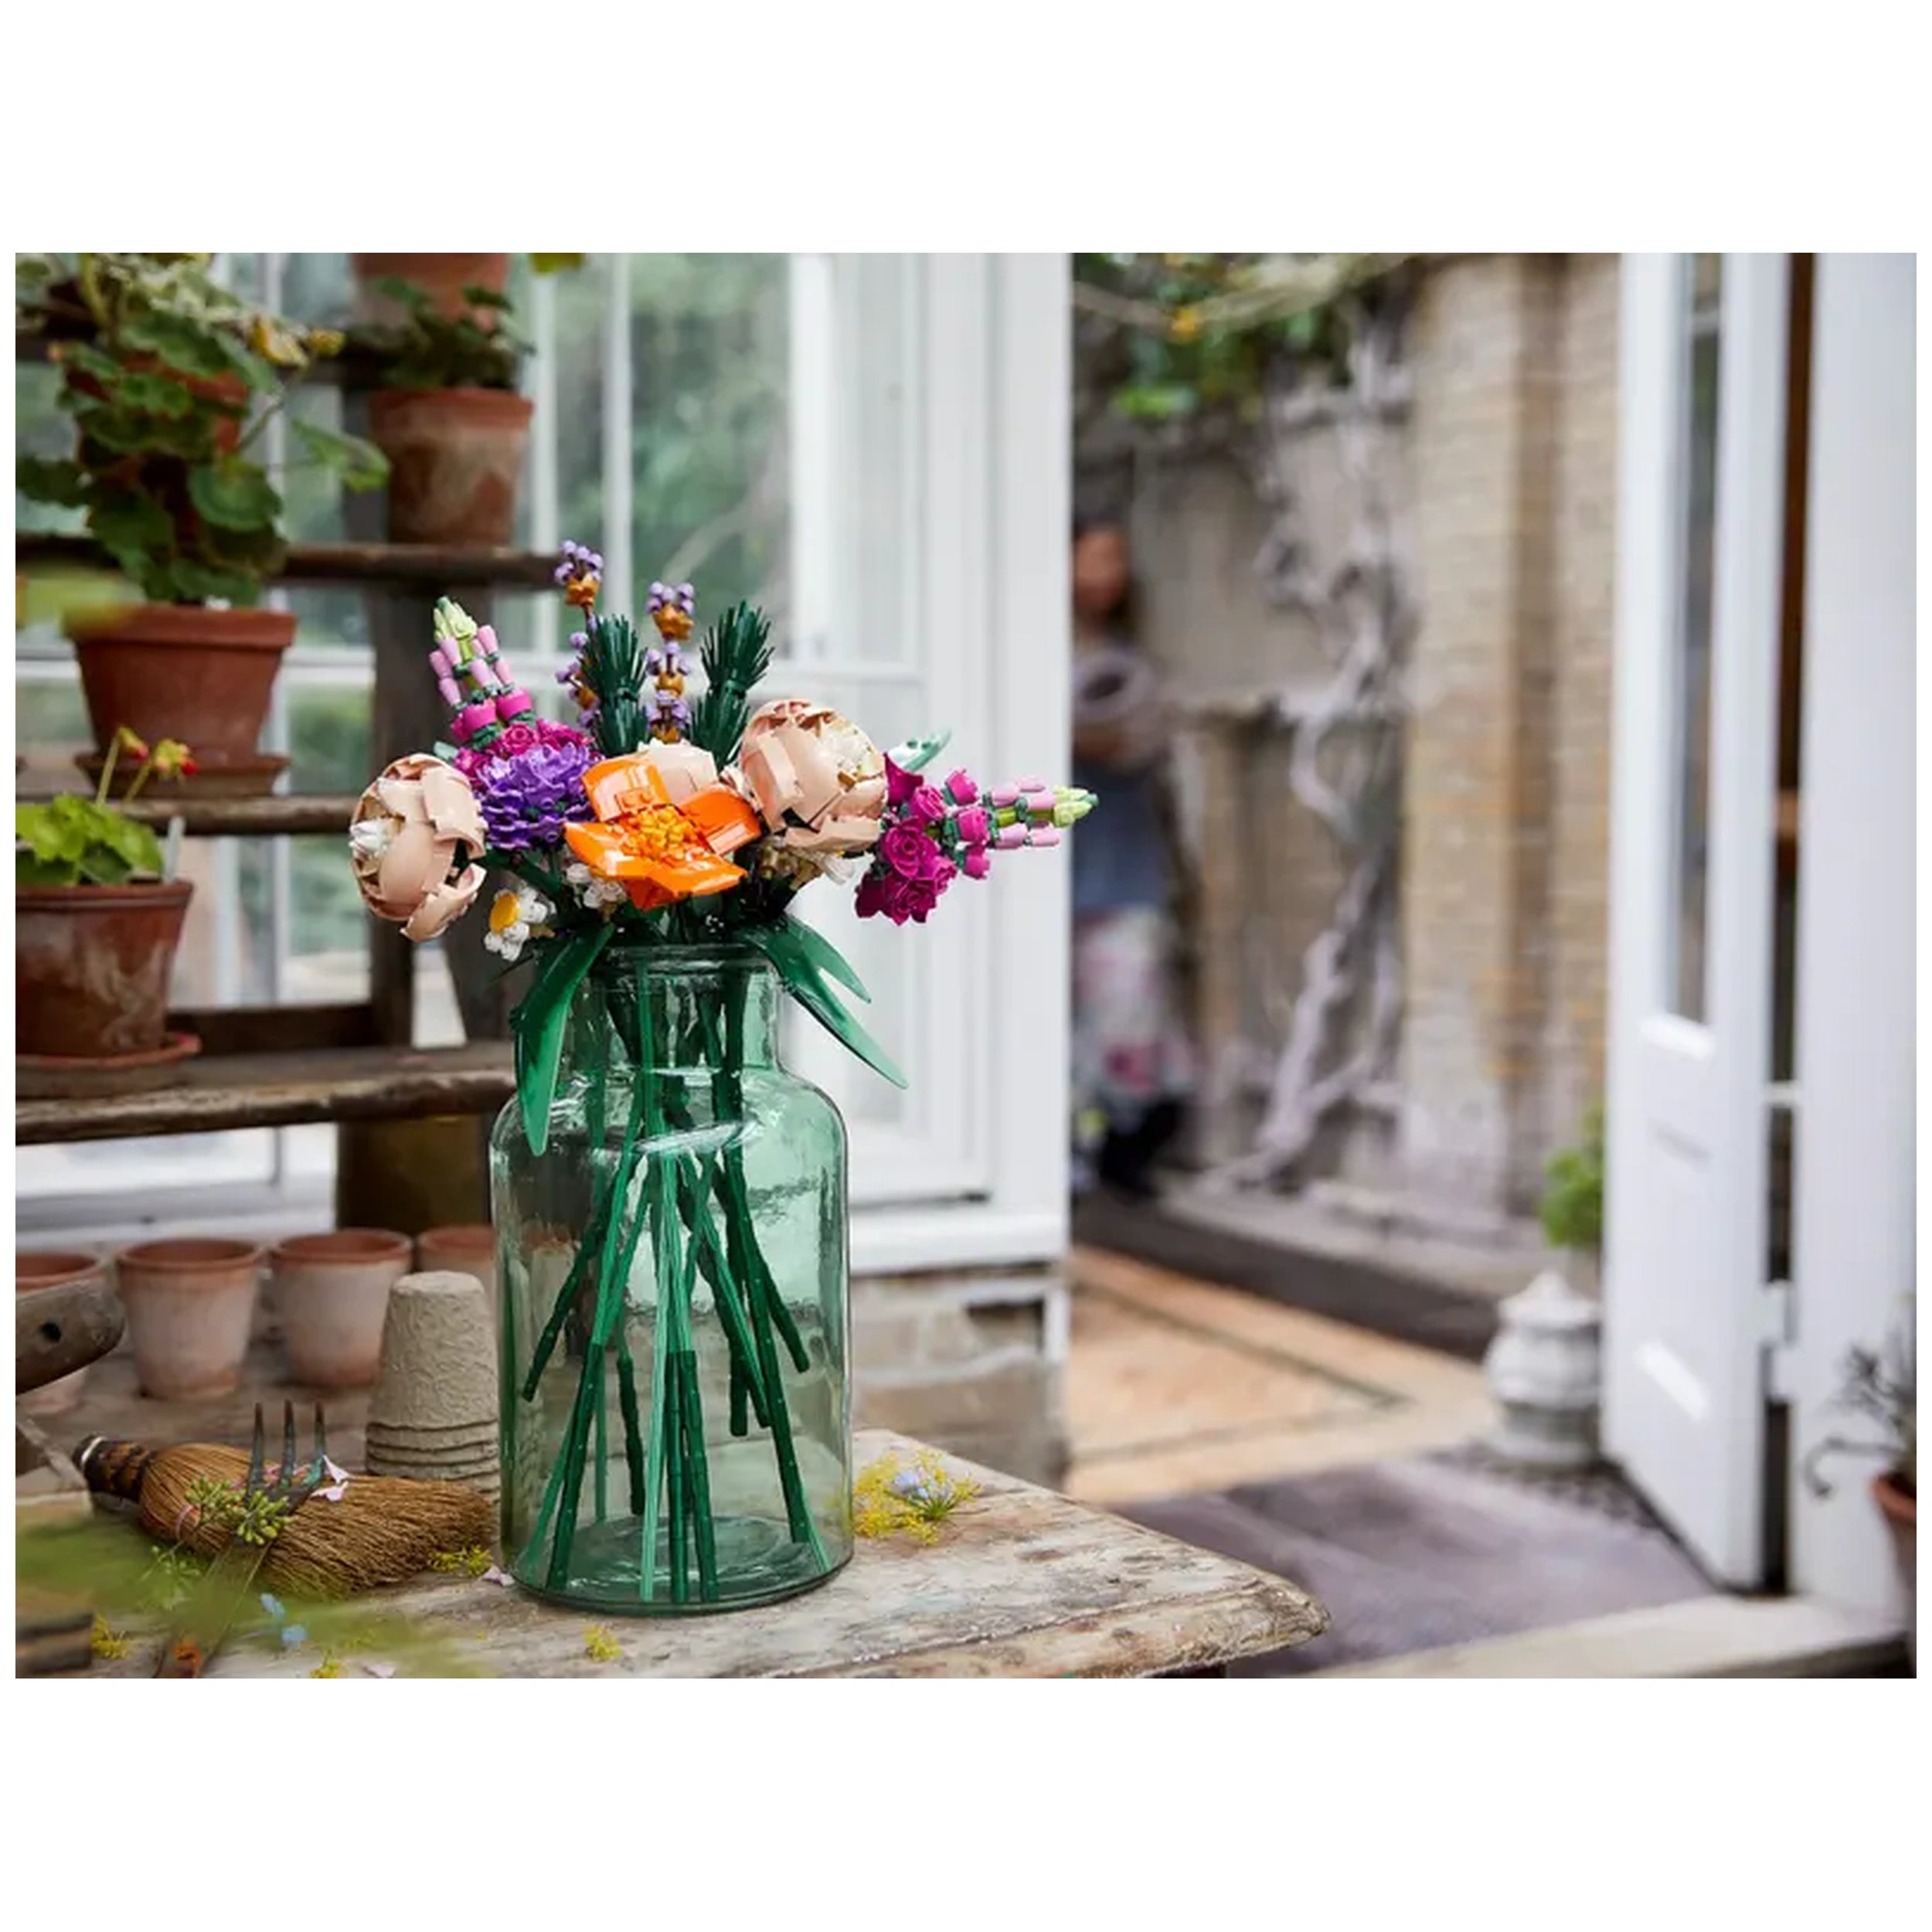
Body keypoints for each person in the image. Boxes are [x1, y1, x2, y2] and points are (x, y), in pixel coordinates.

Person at [1068, 514, 1189, 1197]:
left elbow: (1144, 742)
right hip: (1050, 867)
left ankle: (1119, 1143)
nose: (1104, 574)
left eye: (1115, 558)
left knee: (1128, 1016)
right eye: (1092, 557)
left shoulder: (1130, 659)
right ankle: (1066, 1149)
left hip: (1123, 865)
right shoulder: (1032, 656)